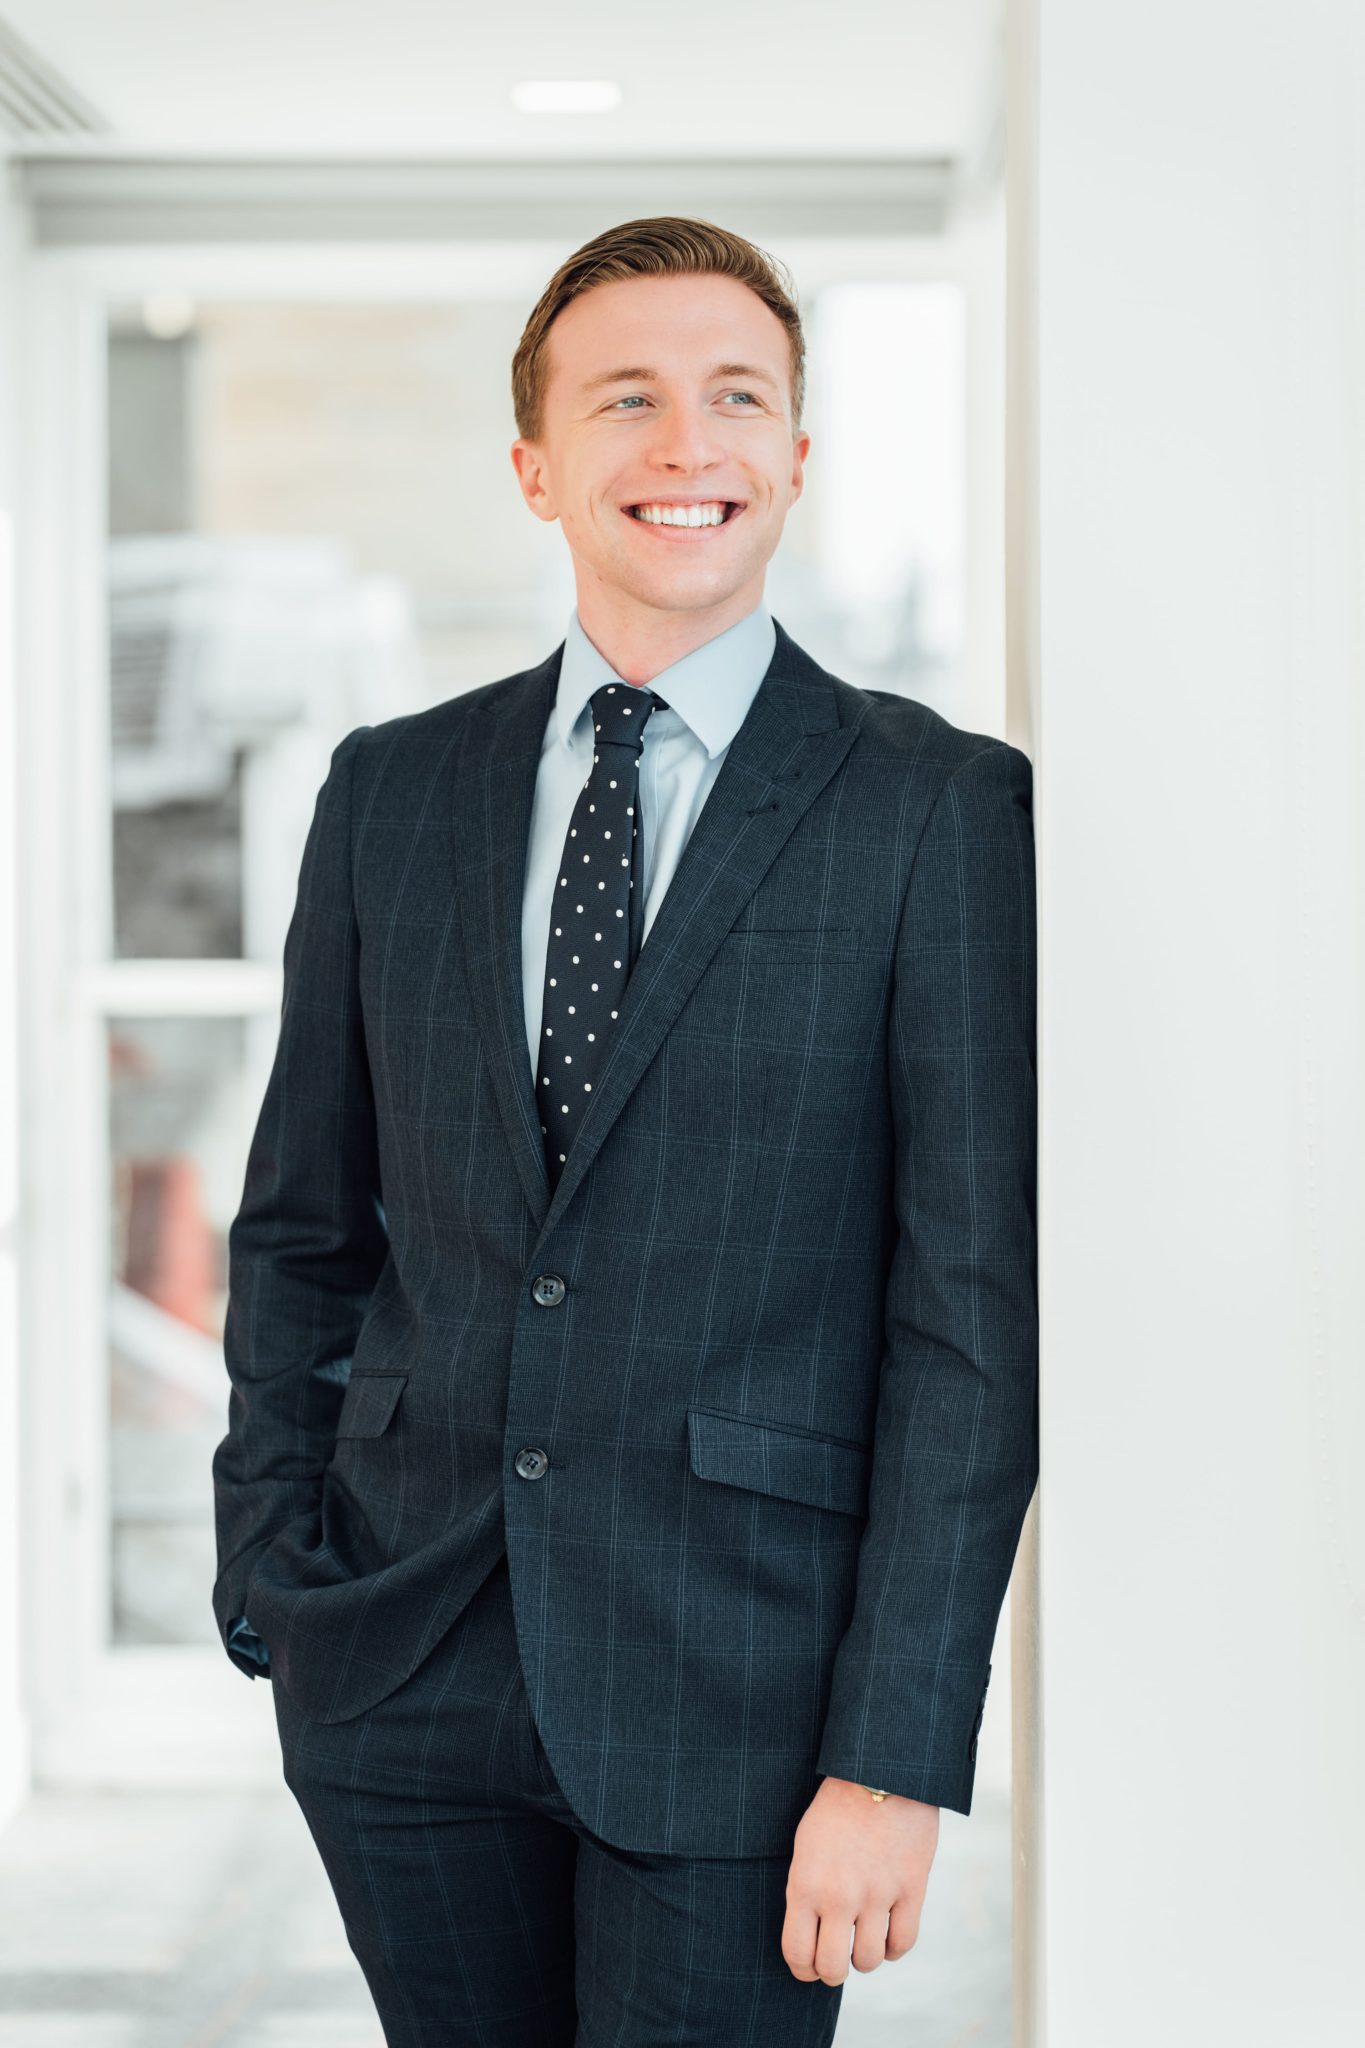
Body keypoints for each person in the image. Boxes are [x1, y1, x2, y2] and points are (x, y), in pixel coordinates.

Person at [211, 214, 1038, 2047]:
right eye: (628, 400)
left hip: (743, 1690)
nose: (687, 445)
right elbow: (300, 1232)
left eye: (736, 397)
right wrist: (272, 1571)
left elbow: (969, 1325)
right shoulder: (388, 791)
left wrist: (895, 1757)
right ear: (536, 466)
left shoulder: (937, 810)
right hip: (399, 1665)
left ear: (797, 459)